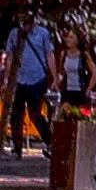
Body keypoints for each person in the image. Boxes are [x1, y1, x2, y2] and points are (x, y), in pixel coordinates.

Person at [3, 12, 58, 159]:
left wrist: (55, 77)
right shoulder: (15, 34)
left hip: (37, 79)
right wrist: (7, 79)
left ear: (33, 22)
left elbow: (49, 55)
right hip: (19, 79)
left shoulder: (42, 34)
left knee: (35, 114)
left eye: (28, 22)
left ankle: (50, 141)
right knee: (16, 115)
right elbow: (10, 57)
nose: (25, 26)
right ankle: (17, 148)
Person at [58, 28, 96, 107]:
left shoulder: (83, 55)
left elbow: (95, 73)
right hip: (67, 92)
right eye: (68, 37)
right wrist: (57, 82)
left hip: (80, 92)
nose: (68, 40)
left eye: (71, 37)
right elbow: (61, 72)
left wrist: (88, 90)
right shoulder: (64, 54)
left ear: (77, 41)